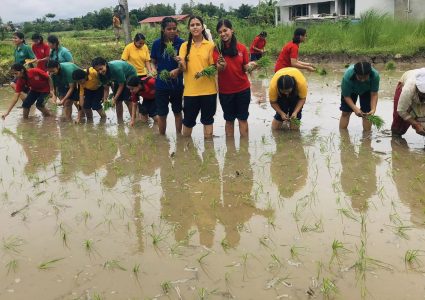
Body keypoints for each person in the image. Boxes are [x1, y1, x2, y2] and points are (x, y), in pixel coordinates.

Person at [213, 19, 255, 138]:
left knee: (242, 119)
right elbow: (218, 69)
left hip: (243, 90)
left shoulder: (241, 48)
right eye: (220, 32)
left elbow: (245, 67)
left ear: (232, 30)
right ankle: (230, 152)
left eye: (225, 30)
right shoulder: (217, 49)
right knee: (229, 120)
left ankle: (244, 150)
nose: (223, 34)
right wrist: (221, 65)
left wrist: (253, 66)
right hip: (225, 92)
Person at [178, 15, 217, 139]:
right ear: (189, 28)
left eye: (197, 24)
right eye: (192, 25)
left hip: (209, 91)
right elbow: (183, 69)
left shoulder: (210, 45)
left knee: (208, 120)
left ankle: (209, 153)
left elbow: (214, 67)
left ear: (202, 27)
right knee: (188, 122)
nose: (195, 27)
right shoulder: (184, 46)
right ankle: (186, 151)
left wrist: (203, 72)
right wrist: (180, 63)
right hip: (190, 92)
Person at [150, 16, 185, 135]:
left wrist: (178, 70)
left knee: (177, 111)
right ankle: (162, 138)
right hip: (161, 84)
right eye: (169, 29)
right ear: (163, 30)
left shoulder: (182, 44)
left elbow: (186, 64)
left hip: (177, 84)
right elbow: (153, 61)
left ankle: (179, 136)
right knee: (162, 113)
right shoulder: (156, 44)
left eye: (174, 28)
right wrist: (153, 70)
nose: (172, 31)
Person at [91, 57, 137, 123]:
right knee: (118, 101)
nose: (100, 72)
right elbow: (106, 88)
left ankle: (134, 120)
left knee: (128, 100)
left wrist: (114, 98)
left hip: (130, 75)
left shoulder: (116, 69)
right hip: (118, 79)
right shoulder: (100, 75)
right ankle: (120, 121)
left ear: (105, 64)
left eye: (101, 69)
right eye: (97, 70)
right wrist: (105, 99)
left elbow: (121, 85)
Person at [339, 61, 380, 131]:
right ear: (355, 74)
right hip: (351, 91)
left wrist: (373, 109)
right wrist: (355, 109)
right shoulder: (347, 76)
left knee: (368, 114)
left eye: (365, 77)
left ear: (369, 74)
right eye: (360, 78)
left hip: (367, 90)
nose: (363, 80)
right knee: (345, 113)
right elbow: (346, 96)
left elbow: (374, 94)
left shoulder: (375, 76)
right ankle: (343, 136)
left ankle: (367, 137)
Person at [391, 68, 425, 137]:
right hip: (406, 81)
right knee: (399, 123)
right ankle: (396, 138)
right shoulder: (408, 89)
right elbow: (401, 110)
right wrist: (416, 124)